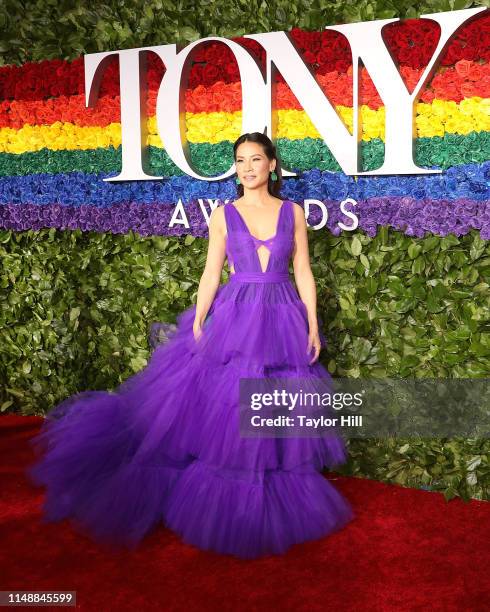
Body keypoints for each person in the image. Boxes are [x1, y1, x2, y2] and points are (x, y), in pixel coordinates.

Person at [26, 132, 354, 559]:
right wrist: (200, 319)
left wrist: (312, 323)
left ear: (273, 165)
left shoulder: (291, 213)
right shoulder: (223, 215)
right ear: (235, 167)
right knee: (230, 406)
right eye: (241, 160)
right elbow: (210, 274)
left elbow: (304, 271)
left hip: (281, 316)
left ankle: (273, 493)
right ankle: (232, 497)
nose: (249, 167)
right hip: (235, 317)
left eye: (257, 159)